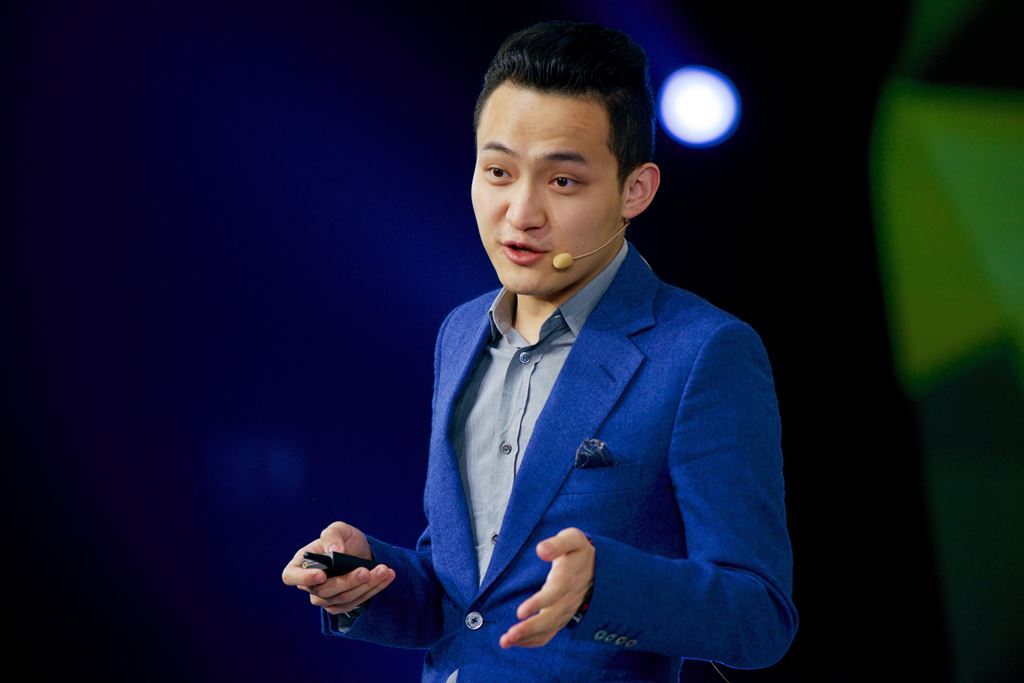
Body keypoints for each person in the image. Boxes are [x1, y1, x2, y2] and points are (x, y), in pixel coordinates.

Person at [282, 19, 797, 682]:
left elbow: (760, 617)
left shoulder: (704, 352)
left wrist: (602, 586)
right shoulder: (461, 332)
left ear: (635, 190)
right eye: (498, 171)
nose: (520, 212)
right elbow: (467, 599)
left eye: (562, 182)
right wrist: (367, 580)